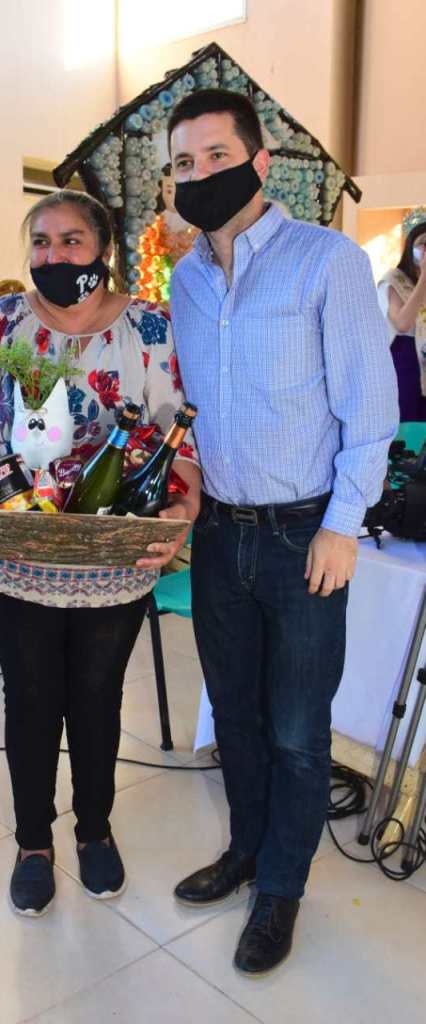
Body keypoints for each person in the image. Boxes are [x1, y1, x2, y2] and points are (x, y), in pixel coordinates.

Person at [167, 90, 399, 975]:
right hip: (220, 533)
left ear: (259, 163)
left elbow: (370, 413)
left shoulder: (326, 261)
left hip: (305, 534)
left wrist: (343, 527)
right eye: (183, 163)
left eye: (216, 157)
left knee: (298, 730)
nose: (199, 175)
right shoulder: (185, 280)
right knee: (235, 713)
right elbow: (195, 407)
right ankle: (246, 849)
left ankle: (282, 887)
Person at [0, 190, 200, 916]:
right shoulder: (2, 323)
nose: (54, 255)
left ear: (103, 248)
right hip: (13, 551)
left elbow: (181, 437)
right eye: (41, 242)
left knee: (97, 696)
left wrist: (183, 511)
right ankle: (32, 843)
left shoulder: (148, 327)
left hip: (113, 561)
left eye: (71, 240)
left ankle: (94, 830)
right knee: (29, 699)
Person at [377, 207, 426, 421]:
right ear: (411, 248)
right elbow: (402, 323)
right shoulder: (395, 279)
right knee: (409, 422)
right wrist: (424, 278)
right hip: (406, 359)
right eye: (423, 243)